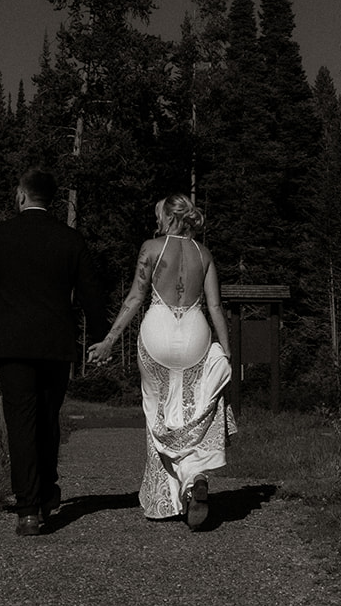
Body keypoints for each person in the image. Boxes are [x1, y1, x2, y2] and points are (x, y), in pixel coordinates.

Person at [0, 168, 108, 536]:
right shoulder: (70, 240)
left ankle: (28, 509)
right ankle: (46, 492)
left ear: (21, 195)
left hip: (12, 345)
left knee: (21, 423)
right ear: (50, 199)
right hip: (56, 344)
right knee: (47, 417)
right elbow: (92, 293)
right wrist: (101, 337)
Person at [87, 194, 235, 529]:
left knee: (159, 411)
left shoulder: (151, 248)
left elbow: (137, 296)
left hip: (158, 331)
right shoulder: (205, 254)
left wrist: (110, 340)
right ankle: (194, 475)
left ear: (168, 217)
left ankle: (169, 495)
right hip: (196, 331)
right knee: (195, 408)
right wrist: (225, 350)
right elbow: (214, 307)